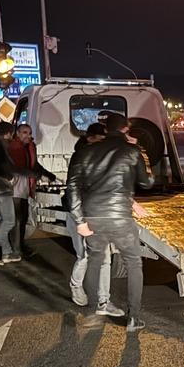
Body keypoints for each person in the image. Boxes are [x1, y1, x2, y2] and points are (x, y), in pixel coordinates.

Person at [66, 113, 154, 332]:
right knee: (134, 263)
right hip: (120, 217)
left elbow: (72, 188)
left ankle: (94, 311)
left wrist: (79, 220)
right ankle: (134, 318)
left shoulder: (84, 152)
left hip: (93, 216)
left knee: (95, 261)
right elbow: (147, 181)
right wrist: (140, 151)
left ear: (106, 130)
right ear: (125, 129)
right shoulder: (132, 151)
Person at [64, 123, 112, 307]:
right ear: (90, 138)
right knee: (84, 255)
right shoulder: (81, 157)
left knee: (105, 258)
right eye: (100, 139)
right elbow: (73, 190)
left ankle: (104, 299)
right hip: (81, 215)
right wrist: (79, 219)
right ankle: (76, 286)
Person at [0, 122, 35, 265]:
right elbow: (3, 167)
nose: (11, 136)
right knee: (10, 221)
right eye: (11, 133)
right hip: (1, 189)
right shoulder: (0, 145)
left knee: (2, 222)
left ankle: (7, 253)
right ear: (7, 133)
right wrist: (10, 177)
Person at [8, 123, 56, 257]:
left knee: (23, 218)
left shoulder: (28, 147)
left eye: (29, 133)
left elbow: (34, 164)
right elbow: (19, 169)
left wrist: (47, 174)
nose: (27, 136)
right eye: (24, 132)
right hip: (15, 188)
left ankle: (19, 246)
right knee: (17, 219)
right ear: (17, 134)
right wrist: (39, 175)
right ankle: (16, 249)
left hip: (25, 187)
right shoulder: (14, 147)